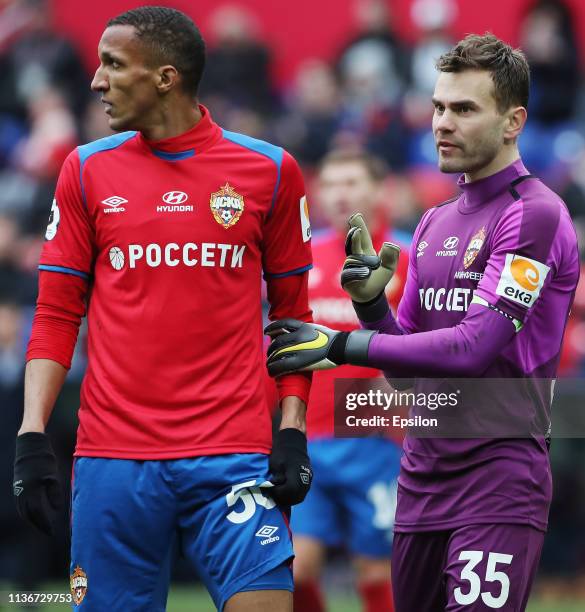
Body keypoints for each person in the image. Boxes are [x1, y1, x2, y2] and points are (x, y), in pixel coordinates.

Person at [13, 7, 315, 612]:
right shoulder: (86, 171)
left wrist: (291, 432)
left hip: (234, 452)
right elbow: (54, 316)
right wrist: (32, 434)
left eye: (113, 64)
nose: (96, 80)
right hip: (114, 461)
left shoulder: (270, 171)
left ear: (165, 77)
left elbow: (292, 318)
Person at [265, 33, 580, 611]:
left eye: (464, 109)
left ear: (514, 122)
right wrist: (371, 308)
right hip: (421, 477)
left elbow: (475, 347)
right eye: (438, 107)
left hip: (498, 474)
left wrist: (340, 342)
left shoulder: (532, 214)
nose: (443, 122)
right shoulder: (434, 220)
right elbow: (406, 370)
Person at [291, 149, 408, 612]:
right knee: (296, 568)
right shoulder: (301, 258)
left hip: (378, 443)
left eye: (352, 182)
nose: (340, 194)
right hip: (308, 438)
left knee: (375, 571)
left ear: (381, 191)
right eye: (332, 183)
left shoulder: (406, 256)